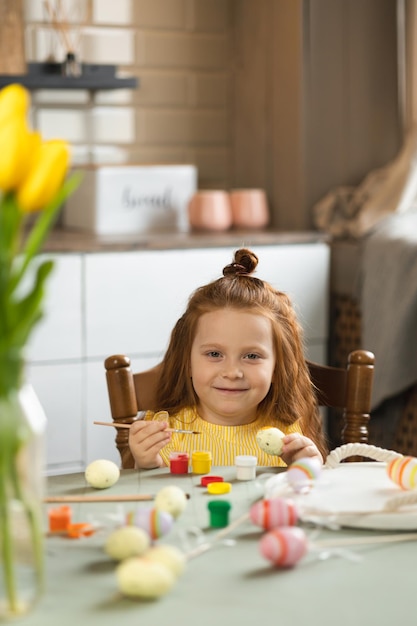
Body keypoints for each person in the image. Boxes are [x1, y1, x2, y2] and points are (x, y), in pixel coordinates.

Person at [129, 248, 327, 469]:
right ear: (188, 363)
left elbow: (302, 497)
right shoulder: (162, 432)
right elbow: (153, 497)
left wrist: (307, 469)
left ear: (277, 369)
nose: (232, 372)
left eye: (252, 356)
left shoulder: (288, 437)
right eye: (214, 354)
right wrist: (147, 463)